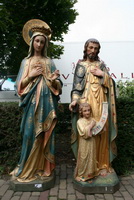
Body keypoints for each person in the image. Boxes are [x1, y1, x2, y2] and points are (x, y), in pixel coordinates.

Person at [10, 19, 62, 182]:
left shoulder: (49, 62)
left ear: (45, 44)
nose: (39, 44)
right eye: (37, 41)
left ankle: (42, 168)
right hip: (30, 106)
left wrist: (54, 80)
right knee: (28, 134)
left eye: (42, 42)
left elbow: (57, 86)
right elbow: (19, 86)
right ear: (32, 42)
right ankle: (26, 167)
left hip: (47, 105)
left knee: (44, 135)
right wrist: (30, 76)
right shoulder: (26, 62)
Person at [69, 38, 117, 177]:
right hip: (87, 103)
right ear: (86, 48)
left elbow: (111, 83)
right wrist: (74, 101)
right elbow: (76, 88)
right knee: (88, 134)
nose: (93, 51)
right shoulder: (81, 65)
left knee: (102, 131)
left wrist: (103, 75)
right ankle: (88, 166)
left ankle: (103, 164)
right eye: (90, 47)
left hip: (101, 102)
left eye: (95, 48)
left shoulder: (101, 65)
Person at [75, 102, 98, 182]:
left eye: (88, 110)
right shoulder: (80, 121)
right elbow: (84, 133)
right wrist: (91, 125)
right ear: (81, 112)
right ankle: (81, 174)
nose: (87, 112)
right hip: (84, 143)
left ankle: (90, 173)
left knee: (91, 157)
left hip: (92, 142)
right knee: (83, 158)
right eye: (85, 111)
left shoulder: (93, 120)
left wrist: (101, 129)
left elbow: (96, 131)